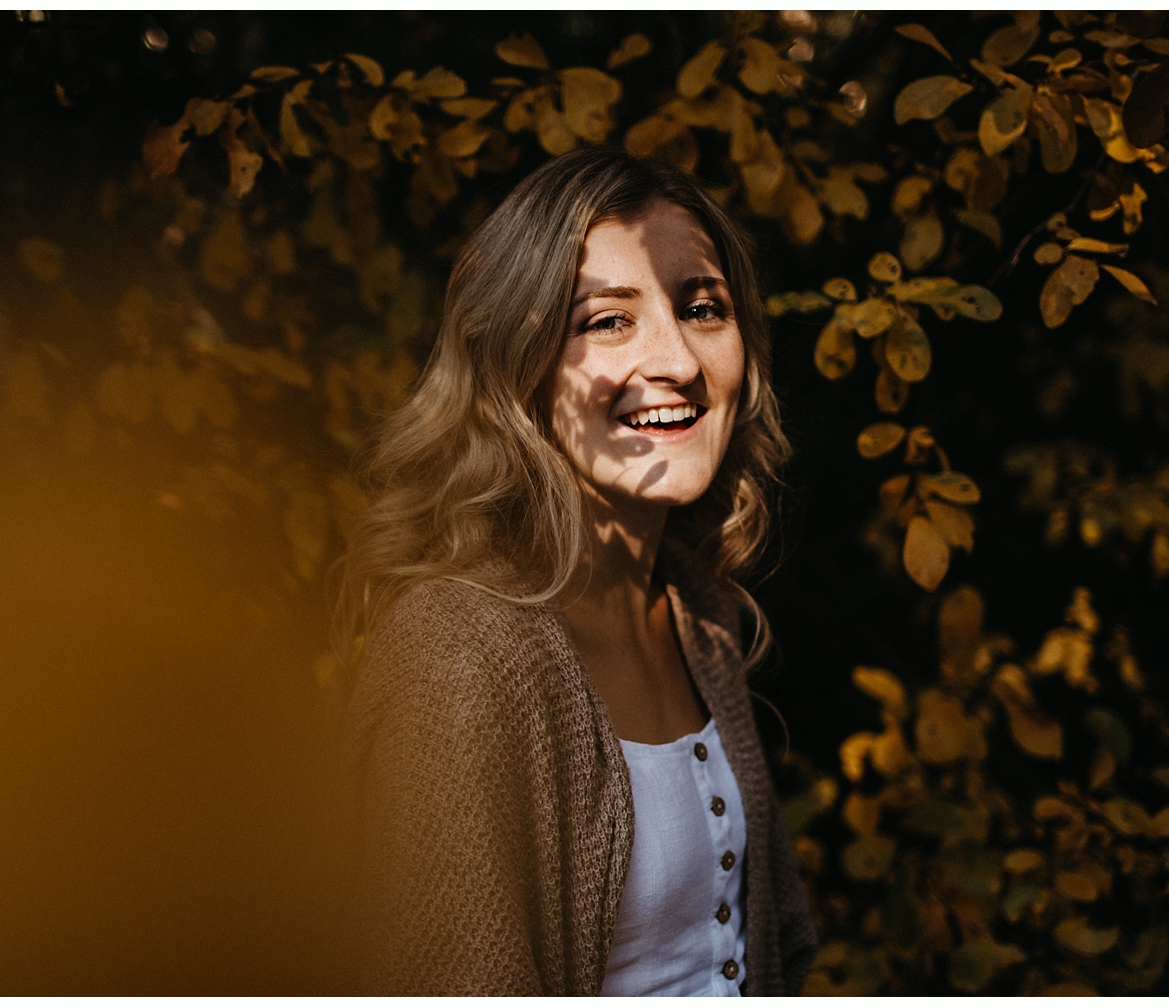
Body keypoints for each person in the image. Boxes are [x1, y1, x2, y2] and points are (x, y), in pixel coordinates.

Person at [334, 149, 815, 995]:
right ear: (520, 363)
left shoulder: (698, 612)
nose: (676, 359)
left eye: (704, 308)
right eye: (607, 320)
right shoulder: (460, 652)